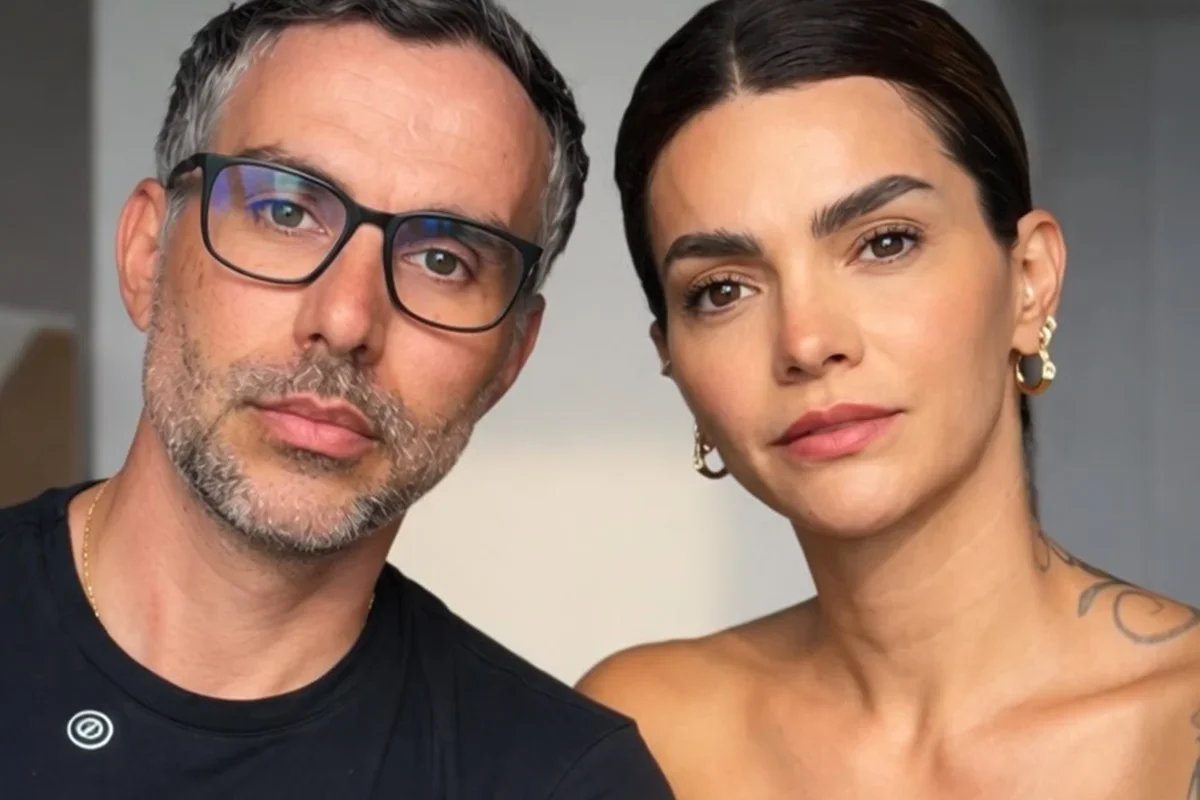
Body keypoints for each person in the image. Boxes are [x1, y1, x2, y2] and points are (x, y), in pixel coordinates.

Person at [0, 1, 674, 797]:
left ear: (510, 359)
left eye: (443, 260)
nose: (347, 319)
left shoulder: (564, 781)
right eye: (285, 212)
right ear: (148, 255)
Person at [578, 0, 1200, 797]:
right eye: (723, 289)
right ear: (670, 356)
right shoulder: (641, 735)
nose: (807, 342)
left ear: (1029, 281)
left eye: (884, 243)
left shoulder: (1175, 718)